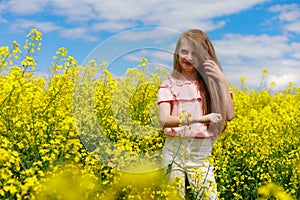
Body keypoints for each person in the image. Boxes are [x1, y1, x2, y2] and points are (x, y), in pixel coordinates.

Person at [157, 29, 234, 199]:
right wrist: (199, 119)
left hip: (200, 152)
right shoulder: (168, 84)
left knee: (209, 197)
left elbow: (229, 114)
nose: (188, 57)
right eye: (184, 52)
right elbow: (164, 120)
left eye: (195, 53)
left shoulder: (211, 85)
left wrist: (222, 80)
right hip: (173, 149)